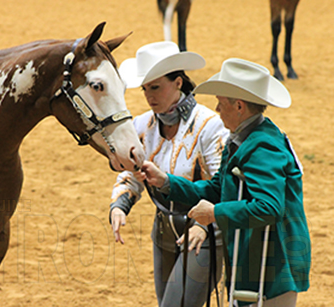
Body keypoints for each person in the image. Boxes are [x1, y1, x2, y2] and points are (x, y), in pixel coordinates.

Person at [140, 58, 311, 307]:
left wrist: (215, 213)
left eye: (220, 103)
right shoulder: (241, 138)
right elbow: (217, 188)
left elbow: (270, 207)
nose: (217, 110)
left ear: (239, 106)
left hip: (273, 263)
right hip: (256, 257)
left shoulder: (263, 146)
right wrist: (166, 182)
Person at [109, 41, 229, 307]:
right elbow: (131, 174)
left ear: (177, 82)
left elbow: (224, 186)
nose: (149, 96)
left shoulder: (210, 126)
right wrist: (120, 205)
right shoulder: (141, 125)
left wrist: (203, 224)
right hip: (163, 231)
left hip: (204, 232)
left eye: (156, 87)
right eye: (145, 89)